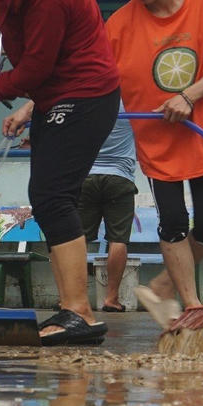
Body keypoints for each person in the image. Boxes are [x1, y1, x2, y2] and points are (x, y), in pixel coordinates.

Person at [0, 0, 120, 344]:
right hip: (64, 93)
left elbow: (38, 67)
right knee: (50, 196)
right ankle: (72, 309)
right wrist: (29, 105)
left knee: (52, 195)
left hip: (84, 95)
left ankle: (78, 311)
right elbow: (47, 68)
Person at [107, 0, 203, 330]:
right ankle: (193, 306)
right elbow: (87, 73)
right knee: (174, 220)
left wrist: (188, 96)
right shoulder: (119, 24)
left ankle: (162, 286)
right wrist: (33, 104)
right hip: (157, 140)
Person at [77, 108, 138, 313]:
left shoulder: (89, 101)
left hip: (86, 177)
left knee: (79, 239)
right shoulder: (130, 104)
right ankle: (111, 299)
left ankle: (72, 299)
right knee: (118, 239)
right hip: (120, 178)